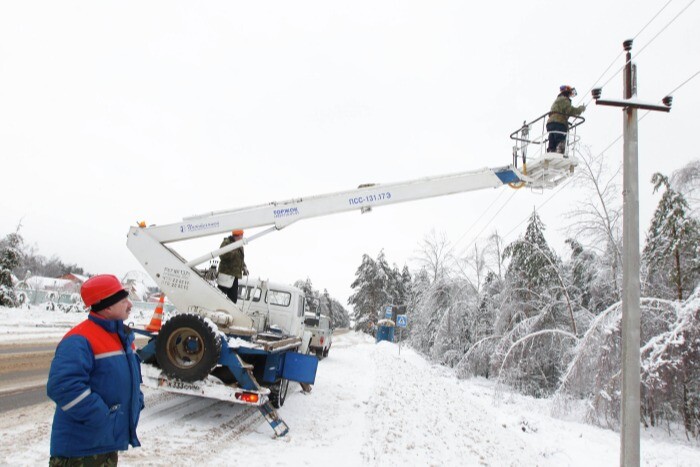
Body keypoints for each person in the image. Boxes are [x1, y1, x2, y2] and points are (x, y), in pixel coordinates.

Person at [47, 274, 144, 466]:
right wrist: (103, 417)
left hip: (105, 445)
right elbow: (63, 387)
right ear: (107, 306)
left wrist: (136, 400)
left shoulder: (122, 338)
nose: (130, 305)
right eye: (124, 300)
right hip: (79, 452)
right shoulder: (79, 340)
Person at [546, 85, 586, 154]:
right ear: (567, 93)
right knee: (560, 141)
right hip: (559, 123)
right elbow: (570, 111)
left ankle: (551, 151)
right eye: (570, 94)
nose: (570, 96)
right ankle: (559, 152)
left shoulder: (557, 100)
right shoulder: (564, 99)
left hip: (550, 123)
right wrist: (580, 109)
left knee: (552, 140)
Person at [217, 229, 248, 303]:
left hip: (234, 275)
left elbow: (240, 259)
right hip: (226, 274)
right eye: (241, 235)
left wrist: (244, 266)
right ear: (238, 236)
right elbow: (222, 255)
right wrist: (234, 249)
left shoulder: (240, 245)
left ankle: (228, 313)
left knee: (233, 299)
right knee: (220, 296)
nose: (242, 237)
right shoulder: (227, 242)